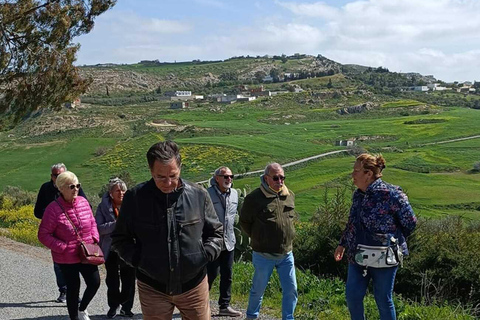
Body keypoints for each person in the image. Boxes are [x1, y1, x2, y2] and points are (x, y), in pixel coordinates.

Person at [111, 140, 224, 320]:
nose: (168, 183)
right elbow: (119, 239)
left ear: (180, 168)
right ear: (151, 172)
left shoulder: (198, 195)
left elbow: (216, 233)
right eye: (160, 177)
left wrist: (205, 255)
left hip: (194, 285)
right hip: (152, 286)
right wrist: (138, 260)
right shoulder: (135, 198)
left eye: (173, 175)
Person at [334, 153, 417, 320]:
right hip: (357, 256)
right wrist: (342, 244)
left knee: (383, 300)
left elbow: (410, 222)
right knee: (353, 296)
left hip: (384, 258)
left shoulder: (391, 194)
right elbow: (352, 222)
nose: (352, 175)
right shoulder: (358, 195)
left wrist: (392, 240)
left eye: (356, 171)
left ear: (368, 174)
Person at [38, 171, 100, 320]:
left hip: (86, 252)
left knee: (94, 283)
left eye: (78, 185)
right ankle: (74, 318)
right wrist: (61, 247)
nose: (76, 189)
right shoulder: (52, 209)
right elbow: (43, 235)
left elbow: (92, 222)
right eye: (72, 186)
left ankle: (82, 308)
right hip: (66, 257)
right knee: (73, 289)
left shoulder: (84, 202)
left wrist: (94, 237)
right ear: (61, 188)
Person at [239, 163, 298, 320]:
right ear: (266, 178)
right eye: (276, 178)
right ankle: (251, 316)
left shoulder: (289, 195)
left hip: (286, 253)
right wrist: (259, 237)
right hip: (263, 254)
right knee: (258, 290)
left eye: (282, 178)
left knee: (291, 289)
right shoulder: (254, 198)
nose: (280, 181)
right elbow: (244, 222)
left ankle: (288, 317)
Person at [34, 163, 89, 303]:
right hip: (56, 237)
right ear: (51, 177)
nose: (60, 177)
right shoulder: (45, 188)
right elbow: (37, 211)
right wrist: (52, 216)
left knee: (78, 268)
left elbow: (86, 207)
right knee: (59, 266)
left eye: (62, 174)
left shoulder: (74, 187)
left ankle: (74, 295)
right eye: (56, 175)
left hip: (75, 238)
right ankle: (64, 291)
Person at [95, 177, 136, 318]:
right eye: (118, 190)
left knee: (129, 279)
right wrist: (117, 224)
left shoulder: (132, 206)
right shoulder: (103, 207)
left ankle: (126, 307)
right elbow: (99, 228)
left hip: (128, 248)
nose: (121, 193)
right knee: (112, 281)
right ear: (111, 193)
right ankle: (113, 306)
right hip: (111, 249)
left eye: (123, 190)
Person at [206, 167, 242, 317]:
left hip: (229, 241)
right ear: (217, 178)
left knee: (227, 274)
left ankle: (224, 306)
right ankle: (199, 304)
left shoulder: (234, 194)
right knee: (210, 274)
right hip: (212, 242)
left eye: (231, 176)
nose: (229, 179)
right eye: (225, 176)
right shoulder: (207, 194)